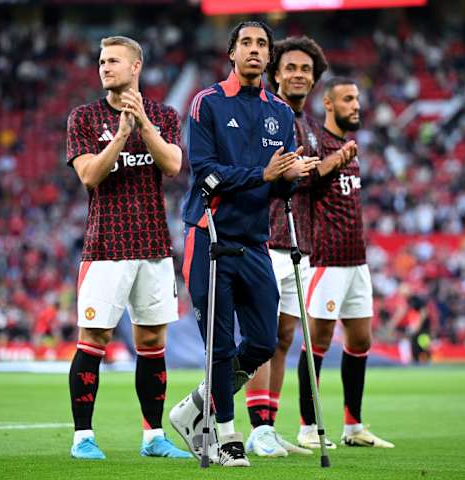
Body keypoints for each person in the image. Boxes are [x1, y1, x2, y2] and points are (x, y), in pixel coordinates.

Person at [168, 21, 318, 467]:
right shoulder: (207, 103)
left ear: (268, 57)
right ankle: (226, 435)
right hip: (209, 236)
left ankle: (195, 406)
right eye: (246, 43)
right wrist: (265, 174)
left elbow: (278, 188)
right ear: (232, 53)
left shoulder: (281, 113)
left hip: (255, 242)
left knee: (262, 340)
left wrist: (291, 179)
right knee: (220, 345)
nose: (254, 51)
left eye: (261, 45)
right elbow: (205, 173)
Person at [65, 35, 190, 460]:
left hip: (154, 245)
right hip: (105, 247)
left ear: (136, 67)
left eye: (113, 60)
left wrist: (143, 126)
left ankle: (153, 436)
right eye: (101, 61)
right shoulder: (83, 117)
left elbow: (173, 164)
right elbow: (89, 176)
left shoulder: (164, 115)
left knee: (153, 340)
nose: (104, 67)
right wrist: (119, 137)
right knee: (94, 337)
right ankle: (83, 437)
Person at [243, 36, 357, 457]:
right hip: (264, 238)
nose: (297, 75)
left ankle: (268, 426)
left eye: (306, 70)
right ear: (275, 73)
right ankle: (253, 426)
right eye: (290, 67)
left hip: (299, 244)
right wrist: (318, 167)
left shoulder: (308, 124)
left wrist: (326, 168)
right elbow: (264, 173)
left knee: (284, 337)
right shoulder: (264, 116)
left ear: (314, 80)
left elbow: (310, 180)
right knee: (260, 336)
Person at [298, 77, 394, 449]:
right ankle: (308, 427)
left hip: (358, 261)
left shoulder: (348, 146)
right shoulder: (316, 142)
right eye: (348, 99)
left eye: (357, 99)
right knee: (318, 340)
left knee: (360, 339)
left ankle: (353, 426)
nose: (356, 105)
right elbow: (304, 182)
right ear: (328, 103)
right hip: (326, 259)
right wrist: (334, 160)